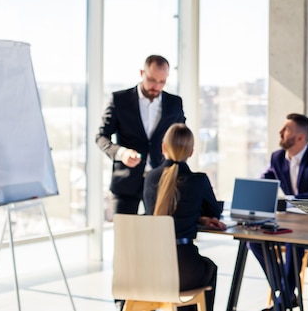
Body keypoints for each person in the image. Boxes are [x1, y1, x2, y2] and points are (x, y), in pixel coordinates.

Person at [248, 113, 308, 311]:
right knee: (253, 240)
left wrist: (289, 201)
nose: (280, 132)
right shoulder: (277, 158)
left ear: (300, 137)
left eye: (286, 130)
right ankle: (286, 294)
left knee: (293, 242)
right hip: (288, 222)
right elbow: (264, 181)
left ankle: (281, 303)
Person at [143, 123, 226, 311]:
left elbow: (161, 214)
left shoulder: (150, 178)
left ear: (163, 147)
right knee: (208, 269)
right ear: (191, 152)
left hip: (149, 269)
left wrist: (197, 218)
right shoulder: (198, 180)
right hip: (183, 269)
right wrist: (200, 217)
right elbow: (214, 212)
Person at [96, 54, 186, 215]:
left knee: (157, 235)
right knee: (124, 237)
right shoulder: (119, 100)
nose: (156, 87)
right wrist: (121, 153)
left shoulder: (174, 103)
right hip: (125, 182)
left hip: (162, 181)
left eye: (162, 82)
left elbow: (181, 139)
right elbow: (101, 137)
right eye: (152, 80)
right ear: (141, 73)